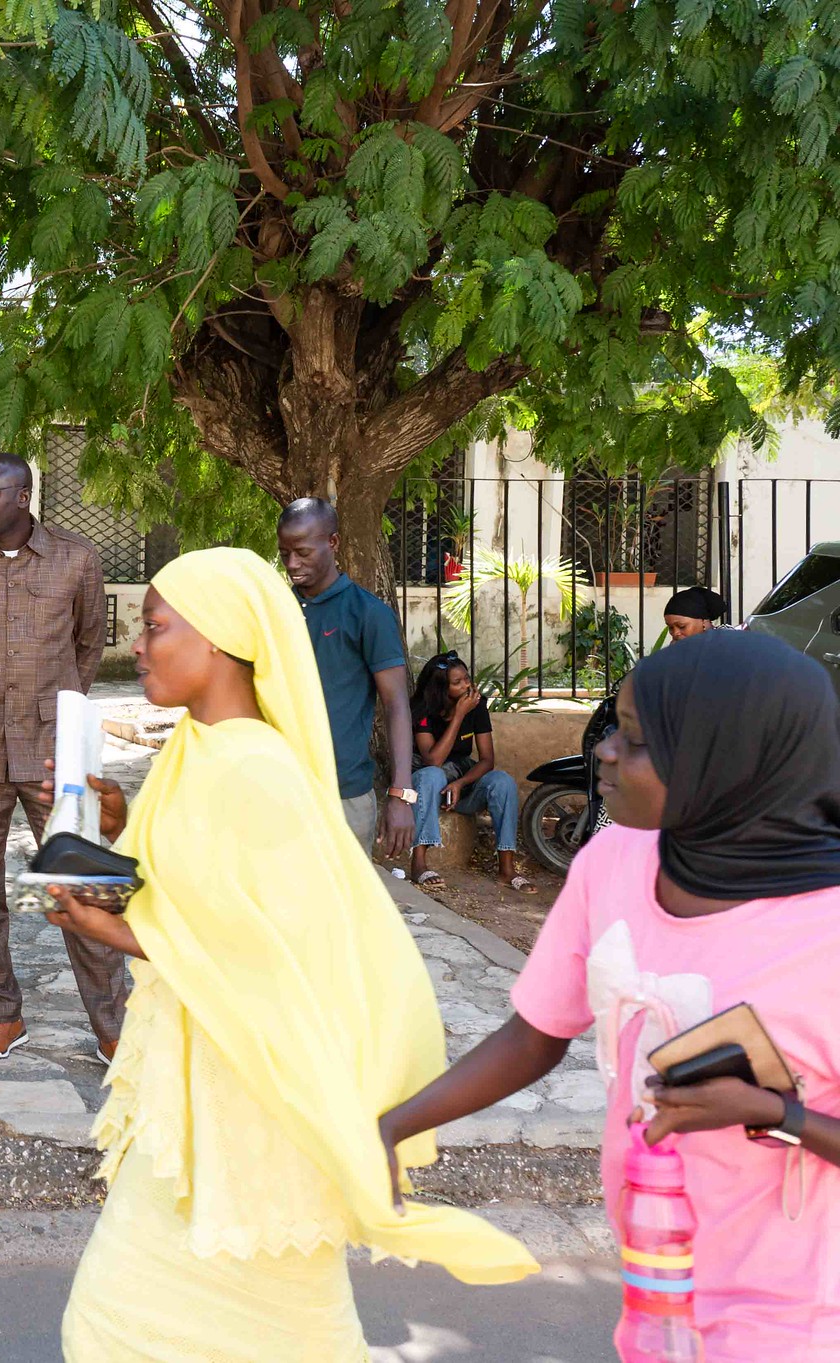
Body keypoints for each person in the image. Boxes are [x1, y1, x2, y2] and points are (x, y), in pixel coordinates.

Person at [37, 548, 534, 1360]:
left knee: (207, 1329)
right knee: (123, 1327)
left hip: (256, 1102)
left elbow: (272, 949)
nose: (139, 644)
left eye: (156, 626)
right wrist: (117, 827)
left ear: (222, 639)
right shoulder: (195, 752)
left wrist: (112, 931)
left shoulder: (259, 770)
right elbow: (192, 894)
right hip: (198, 1089)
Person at [379, 628, 840, 1359]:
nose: (603, 752)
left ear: (725, 763)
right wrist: (393, 1125)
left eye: (634, 739)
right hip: (658, 1283)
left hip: (800, 1311)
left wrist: (772, 1111)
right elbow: (536, 1032)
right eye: (612, 729)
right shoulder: (617, 858)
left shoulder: (826, 925)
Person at [0, 453, 127, 1061]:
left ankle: (111, 1027)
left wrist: (54, 713)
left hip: (52, 753)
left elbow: (88, 648)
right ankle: (4, 1013)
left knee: (80, 880)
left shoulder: (77, 560)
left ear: (23, 497)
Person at [277, 498, 418, 858]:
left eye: (303, 552)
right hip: (279, 792)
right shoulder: (275, 611)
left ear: (333, 543)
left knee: (343, 913)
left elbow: (396, 705)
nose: (293, 564)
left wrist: (402, 793)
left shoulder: (368, 614)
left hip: (344, 797)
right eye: (285, 553)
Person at [582, 585, 728, 836]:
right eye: (671, 628)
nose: (676, 633)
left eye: (682, 626)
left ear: (704, 622)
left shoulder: (727, 648)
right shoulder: (678, 651)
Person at [406, 651, 532, 893]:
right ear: (441, 689)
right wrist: (459, 715)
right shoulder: (423, 709)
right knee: (432, 774)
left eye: (467, 678)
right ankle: (419, 863)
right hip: (428, 785)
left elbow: (487, 760)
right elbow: (433, 759)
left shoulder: (477, 705)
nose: (467, 685)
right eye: (458, 682)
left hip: (460, 783)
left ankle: (506, 868)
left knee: (502, 781)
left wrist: (461, 783)